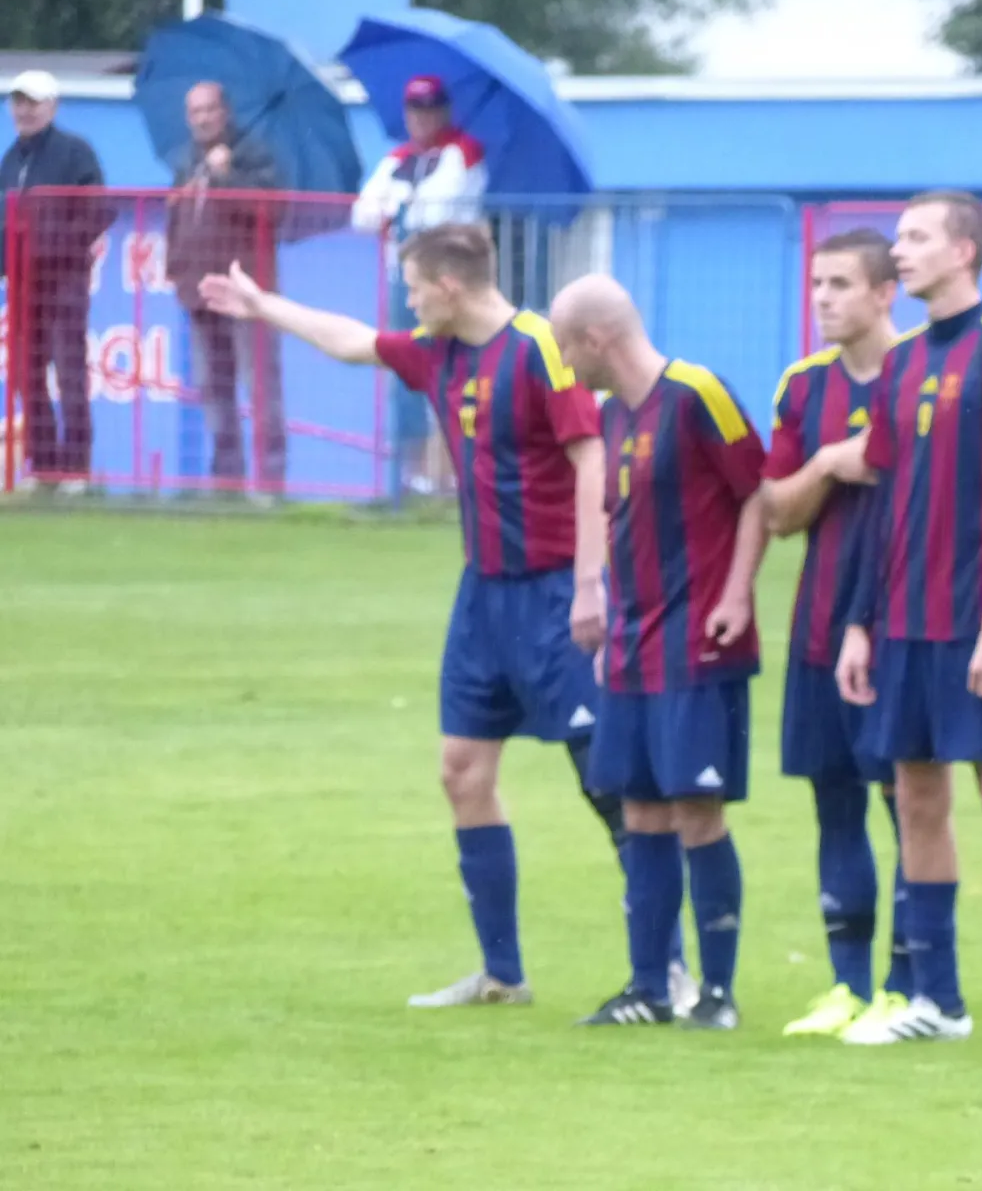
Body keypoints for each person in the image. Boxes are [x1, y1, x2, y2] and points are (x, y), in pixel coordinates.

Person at [197, 224, 691, 1011]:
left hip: (556, 595)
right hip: (483, 597)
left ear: (449, 287)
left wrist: (590, 586)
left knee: (607, 778)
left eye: (414, 287)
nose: (409, 301)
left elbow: (591, 457)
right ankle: (503, 975)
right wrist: (264, 306)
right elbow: (352, 342)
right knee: (461, 771)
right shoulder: (439, 352)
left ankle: (667, 969)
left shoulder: (539, 350)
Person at [835, 191, 982, 1053]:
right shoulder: (899, 362)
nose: (899, 250)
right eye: (898, 237)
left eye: (917, 237)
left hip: (976, 621)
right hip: (902, 622)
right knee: (916, 798)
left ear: (964, 250)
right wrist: (859, 622)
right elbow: (883, 499)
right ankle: (939, 1001)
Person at [551, 274, 768, 1031]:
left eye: (565, 347)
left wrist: (737, 594)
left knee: (696, 811)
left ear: (596, 338)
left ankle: (718, 993)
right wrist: (601, 605)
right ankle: (648, 988)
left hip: (699, 645)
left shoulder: (699, 394)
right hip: (631, 649)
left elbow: (757, 494)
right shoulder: (612, 417)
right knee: (640, 809)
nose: (565, 365)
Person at [762, 228, 912, 1039]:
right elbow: (777, 512)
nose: (822, 297)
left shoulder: (921, 375)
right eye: (817, 283)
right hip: (819, 625)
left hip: (902, 628)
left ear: (885, 293)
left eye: (841, 283)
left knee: (909, 805)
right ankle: (847, 985)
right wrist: (826, 463)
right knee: (834, 803)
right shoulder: (804, 386)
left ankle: (909, 984)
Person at [352, 75, 488, 498]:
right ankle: (411, 477)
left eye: (430, 109)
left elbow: (438, 210)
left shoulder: (463, 152)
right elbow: (362, 215)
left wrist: (396, 207)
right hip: (407, 280)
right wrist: (398, 208)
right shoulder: (397, 159)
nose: (422, 118)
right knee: (405, 372)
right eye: (415, 109)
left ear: (444, 111)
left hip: (450, 282)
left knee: (455, 374)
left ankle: (450, 475)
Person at [165, 81, 286, 494]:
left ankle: (270, 484)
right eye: (194, 112)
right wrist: (177, 271)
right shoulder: (185, 159)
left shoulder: (254, 152)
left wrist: (226, 176)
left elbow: (271, 210)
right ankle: (226, 483)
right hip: (200, 291)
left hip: (246, 291)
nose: (201, 119)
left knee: (259, 386)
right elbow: (177, 218)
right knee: (212, 389)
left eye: (208, 109)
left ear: (225, 111)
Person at [0, 70, 111, 492]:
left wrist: (55, 247)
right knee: (26, 374)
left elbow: (98, 212)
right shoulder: (11, 159)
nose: (24, 110)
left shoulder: (75, 152)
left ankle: (76, 468)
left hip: (64, 281)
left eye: (32, 102)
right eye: (18, 101)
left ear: (52, 106)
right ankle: (42, 465)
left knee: (69, 372)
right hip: (23, 282)